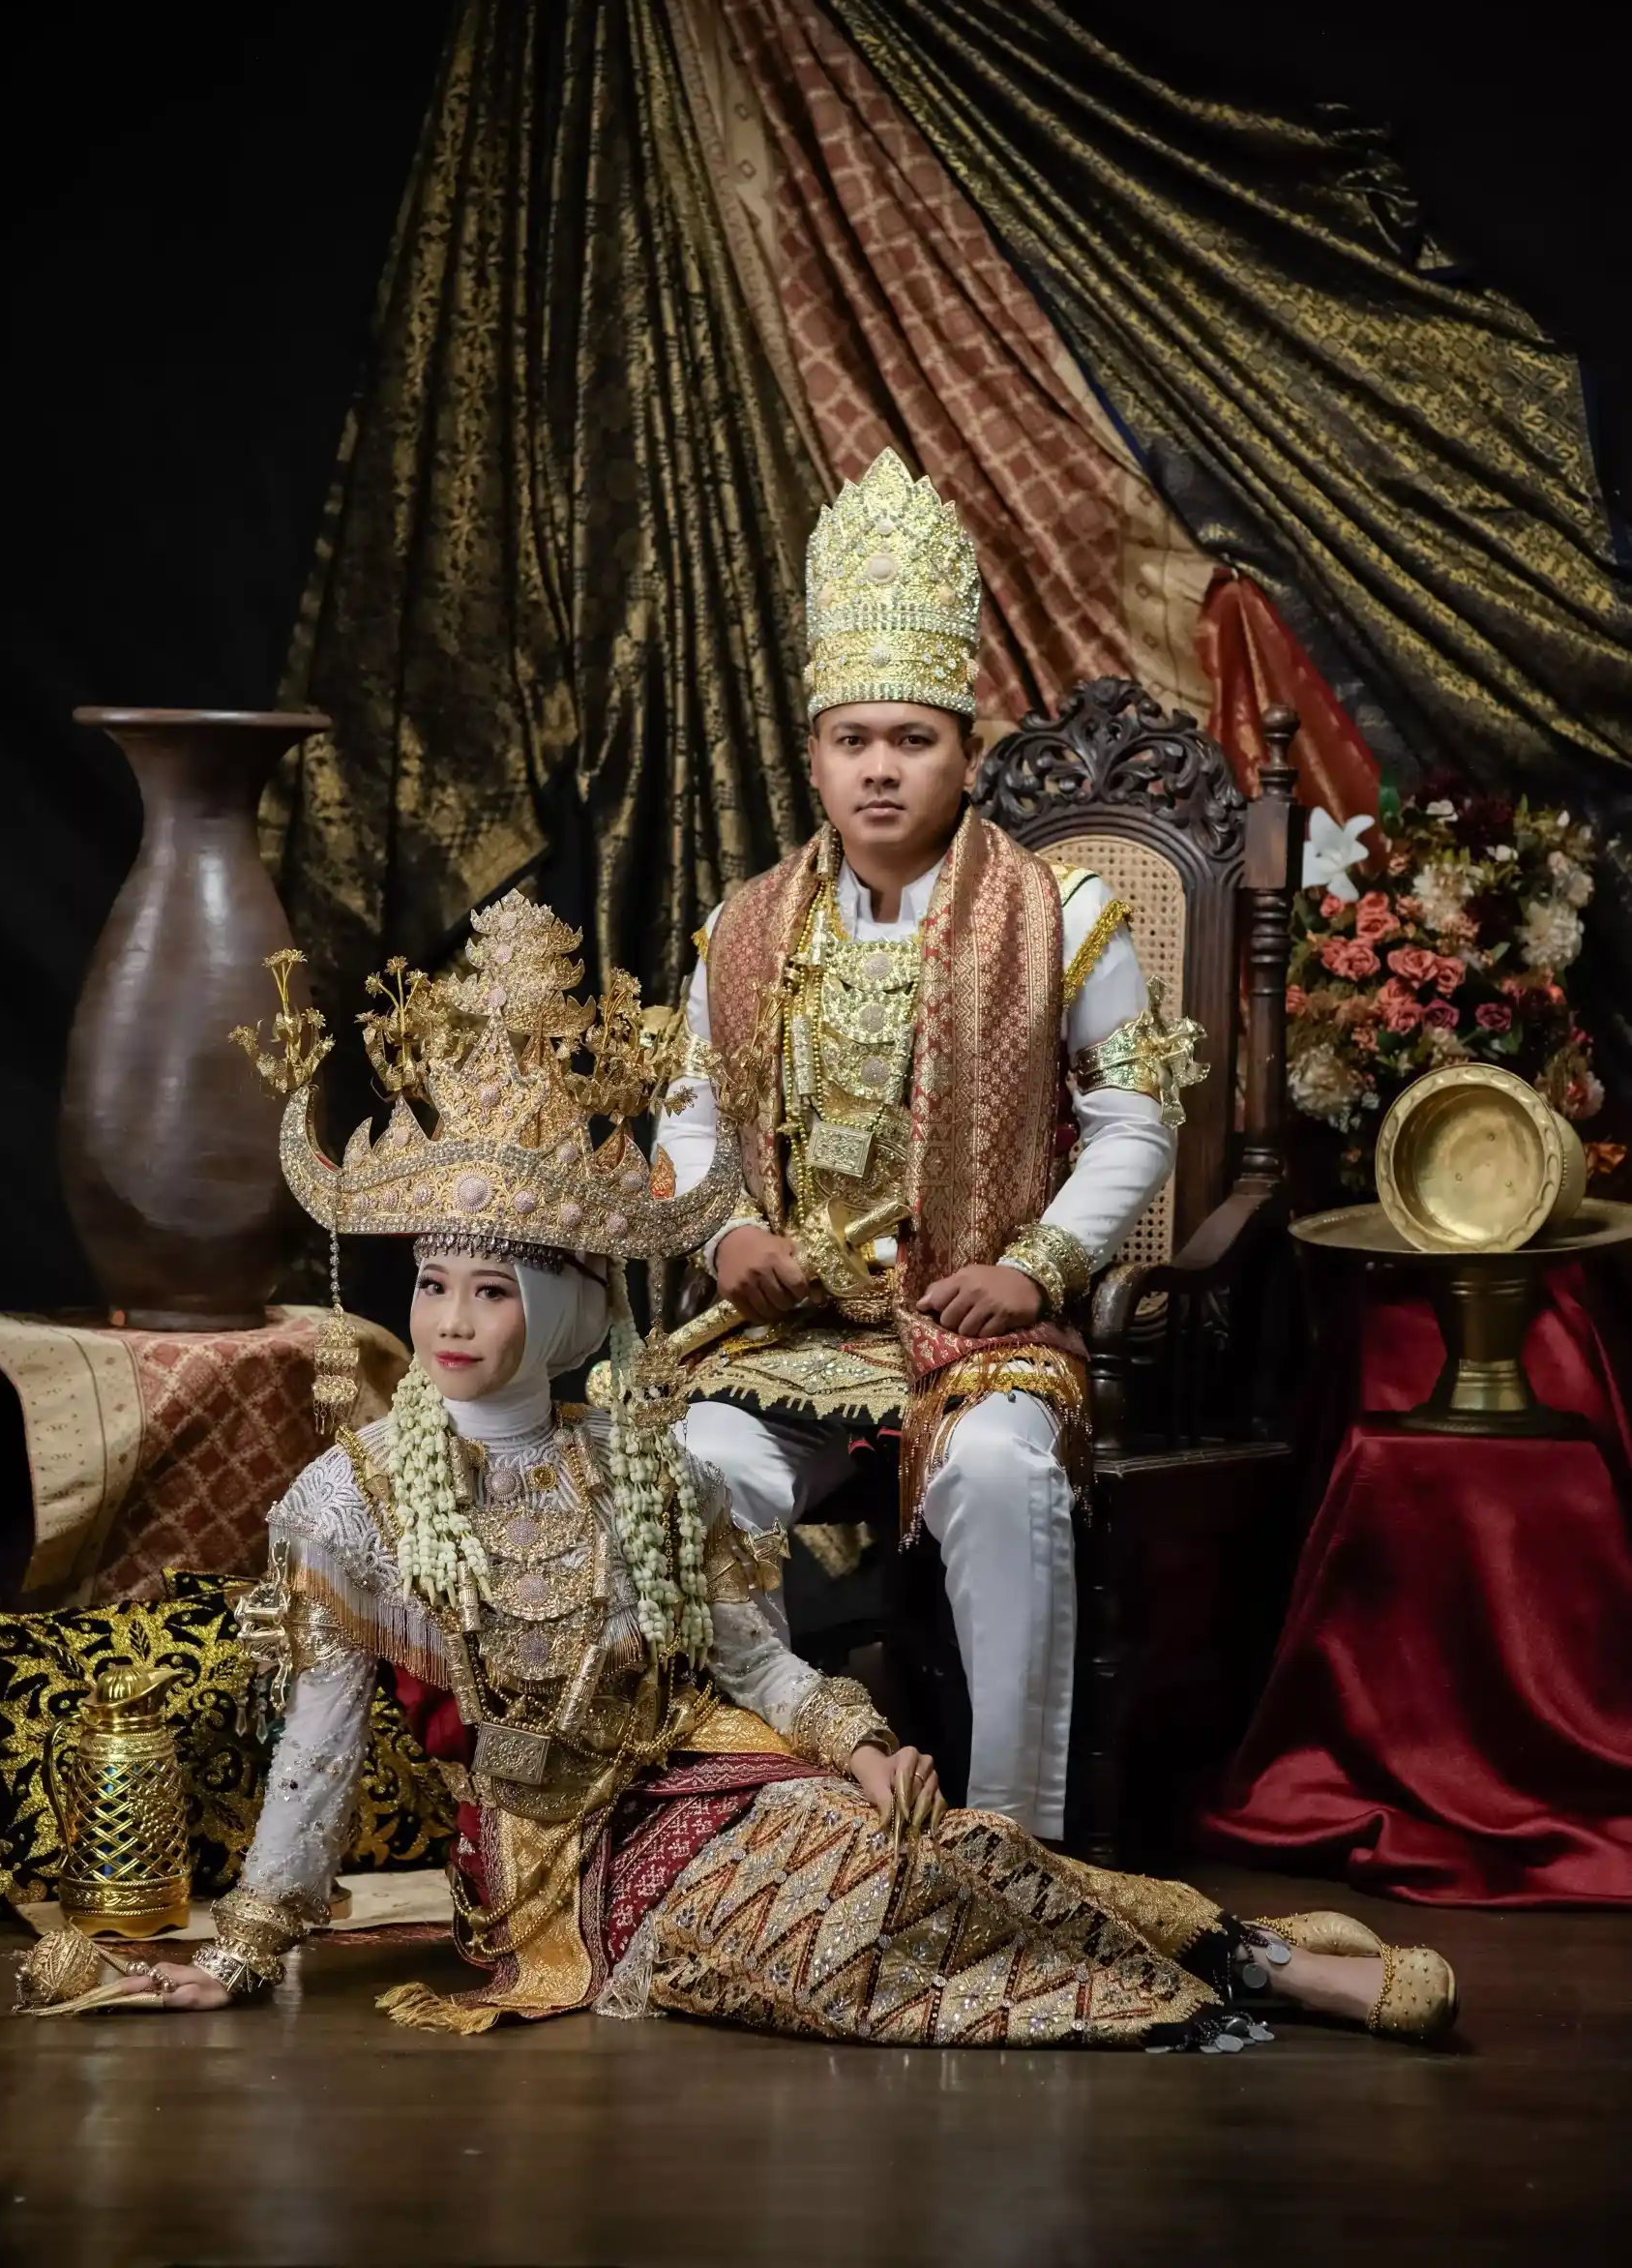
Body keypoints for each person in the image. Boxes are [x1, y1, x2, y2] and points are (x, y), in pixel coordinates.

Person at [90, 892, 1452, 2048]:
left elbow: (751, 1660)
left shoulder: (637, 1462)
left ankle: (1253, 1958)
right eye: (433, 1282)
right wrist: (246, 1947)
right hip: (568, 1874)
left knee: (928, 1847)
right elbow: (318, 1744)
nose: (450, 1322)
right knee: (858, 1930)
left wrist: (862, 1745)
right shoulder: (351, 1497)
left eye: (493, 1290)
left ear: (563, 1311)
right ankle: (1225, 1980)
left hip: (720, 1770)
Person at [657, 448, 1203, 1838]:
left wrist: (1038, 1266)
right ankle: (769, 1812)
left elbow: (1137, 1117)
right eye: (854, 741)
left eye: (912, 739)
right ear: (814, 757)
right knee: (690, 1472)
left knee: (1004, 1471)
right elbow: (689, 1120)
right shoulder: (741, 927)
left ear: (965, 751)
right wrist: (728, 1235)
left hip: (977, 1326)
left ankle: (1012, 1838)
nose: (881, 769)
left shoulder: (1061, 912)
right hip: (790, 1335)